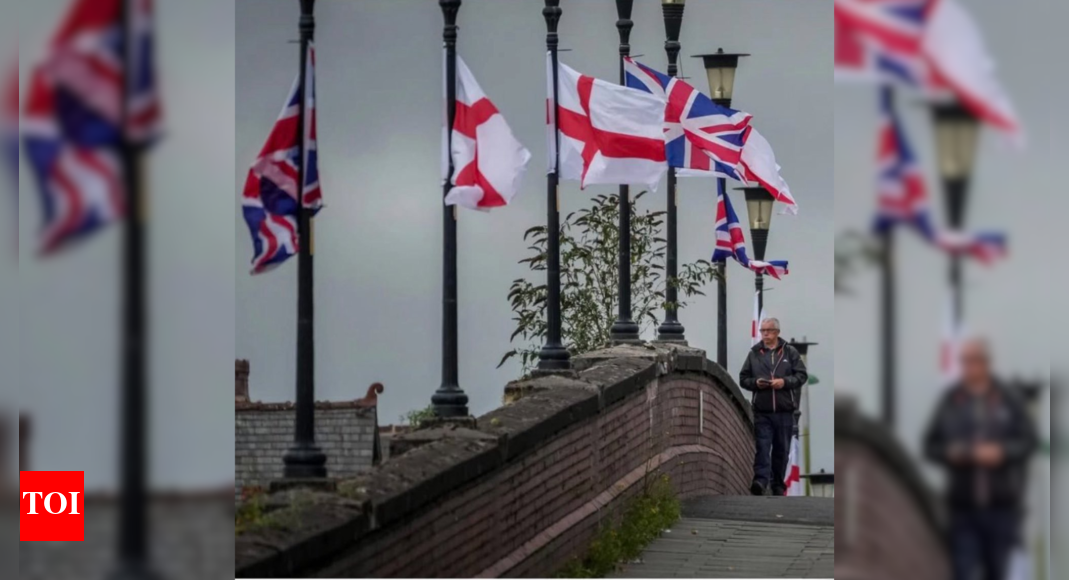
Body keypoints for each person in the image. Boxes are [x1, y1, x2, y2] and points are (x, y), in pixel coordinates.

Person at [923, 337, 1037, 580]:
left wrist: (1003, 452)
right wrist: (951, 453)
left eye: (972, 361)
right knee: (962, 572)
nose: (967, 367)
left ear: (986, 363)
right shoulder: (951, 400)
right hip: (963, 511)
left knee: (997, 573)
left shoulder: (1008, 398)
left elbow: (1029, 441)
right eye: (963, 361)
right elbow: (930, 445)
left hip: (1001, 510)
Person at [739, 317, 808, 496]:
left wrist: (784, 382)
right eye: (763, 331)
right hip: (763, 410)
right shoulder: (754, 354)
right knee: (763, 446)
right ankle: (760, 481)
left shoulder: (789, 352)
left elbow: (801, 376)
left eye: (768, 330)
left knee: (781, 449)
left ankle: (778, 484)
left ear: (777, 332)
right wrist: (756, 383)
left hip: (784, 411)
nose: (765, 334)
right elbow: (743, 379)